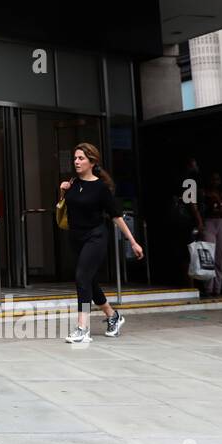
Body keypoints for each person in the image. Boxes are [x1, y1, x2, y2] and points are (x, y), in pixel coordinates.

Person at [58, 142, 143, 343]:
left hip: (95, 237)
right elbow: (64, 209)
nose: (76, 162)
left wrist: (133, 242)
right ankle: (113, 316)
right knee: (89, 281)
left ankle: (82, 328)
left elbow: (116, 216)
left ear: (92, 162)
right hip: (76, 238)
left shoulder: (100, 188)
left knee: (81, 278)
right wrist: (62, 192)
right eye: (75, 158)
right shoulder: (72, 184)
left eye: (81, 158)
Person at [202, 172, 222, 297]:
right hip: (209, 222)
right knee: (209, 257)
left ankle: (217, 289)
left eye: (217, 179)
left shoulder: (221, 194)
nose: (215, 182)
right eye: (213, 179)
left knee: (220, 259)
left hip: (221, 222)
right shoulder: (204, 193)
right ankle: (208, 288)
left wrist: (219, 204)